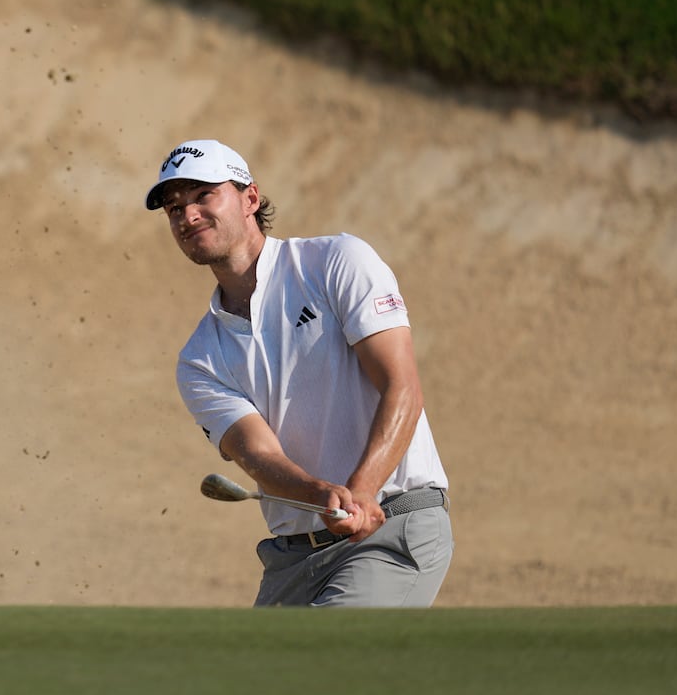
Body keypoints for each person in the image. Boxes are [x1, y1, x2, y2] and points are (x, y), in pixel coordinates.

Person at [145, 139, 453, 607]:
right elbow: (258, 455)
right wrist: (320, 493)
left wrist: (362, 492)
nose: (187, 216)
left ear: (250, 198)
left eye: (203, 195)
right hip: (290, 561)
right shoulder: (199, 358)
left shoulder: (335, 262)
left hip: (388, 529)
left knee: (327, 669)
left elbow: (402, 386)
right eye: (174, 207)